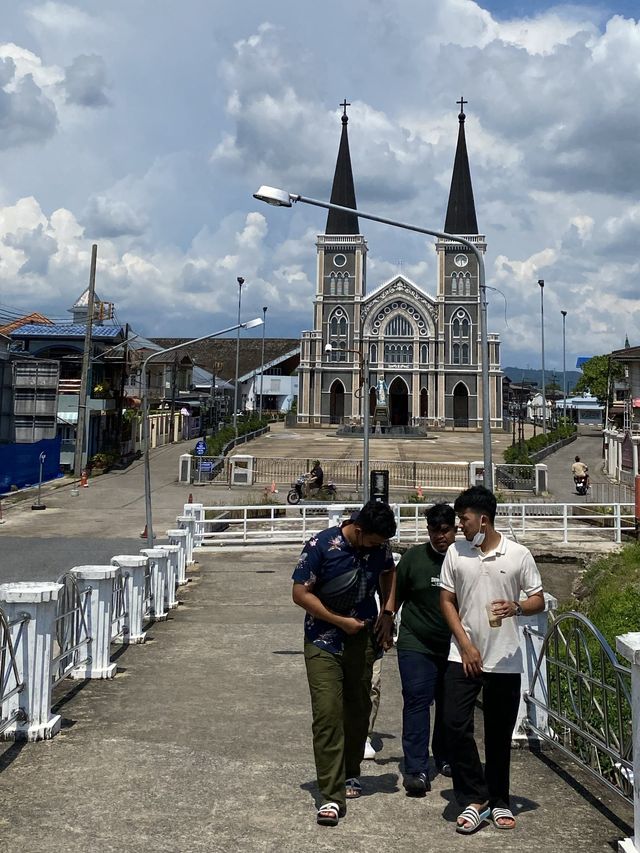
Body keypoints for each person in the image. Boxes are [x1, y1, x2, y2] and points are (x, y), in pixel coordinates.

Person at [439, 486, 544, 834]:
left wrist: (516, 606)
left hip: (505, 658)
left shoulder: (518, 555)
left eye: (464, 520)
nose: (460, 527)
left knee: (498, 735)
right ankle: (475, 797)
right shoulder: (456, 552)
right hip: (462, 655)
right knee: (454, 725)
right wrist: (465, 644)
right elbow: (447, 601)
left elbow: (538, 600)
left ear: (483, 519)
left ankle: (499, 800)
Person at [292, 501, 397, 827]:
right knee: (327, 714)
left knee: (358, 710)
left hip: (362, 640)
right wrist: (338, 620)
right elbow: (299, 593)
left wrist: (388, 613)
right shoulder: (320, 545)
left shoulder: (379, 547)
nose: (379, 547)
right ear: (360, 529)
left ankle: (351, 772)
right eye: (375, 541)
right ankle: (331, 794)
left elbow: (389, 573)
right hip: (323, 641)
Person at [395, 503, 456, 796]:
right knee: (417, 701)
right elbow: (395, 592)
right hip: (415, 642)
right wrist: (386, 619)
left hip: (454, 646)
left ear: (455, 530)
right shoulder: (413, 558)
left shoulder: (465, 559)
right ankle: (416, 768)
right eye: (434, 531)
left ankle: (445, 757)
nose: (440, 537)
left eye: (445, 530)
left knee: (450, 705)